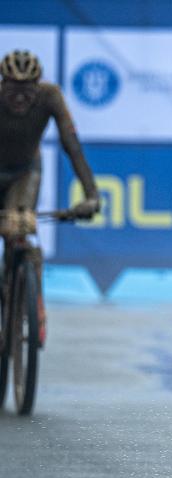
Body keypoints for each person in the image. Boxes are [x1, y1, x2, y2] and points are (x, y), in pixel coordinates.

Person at [0, 50, 100, 344]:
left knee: (20, 229)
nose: (20, 99)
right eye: (12, 91)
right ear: (2, 85)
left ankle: (33, 302)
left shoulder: (51, 96)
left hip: (24, 173)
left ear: (38, 87)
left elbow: (72, 145)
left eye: (27, 92)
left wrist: (91, 194)